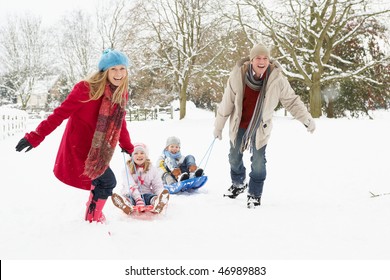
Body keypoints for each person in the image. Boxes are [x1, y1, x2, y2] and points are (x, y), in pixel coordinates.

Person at [15, 49, 135, 223]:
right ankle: (93, 217)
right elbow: (59, 114)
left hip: (98, 148)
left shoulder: (119, 93)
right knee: (108, 181)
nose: (118, 74)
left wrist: (127, 145)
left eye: (122, 68)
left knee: (102, 182)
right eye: (113, 69)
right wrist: (35, 137)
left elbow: (119, 122)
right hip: (79, 147)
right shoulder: (85, 89)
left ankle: (92, 213)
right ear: (105, 71)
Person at [213, 43, 316, 208]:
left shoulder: (277, 79)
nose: (262, 61)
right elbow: (226, 104)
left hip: (261, 127)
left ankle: (254, 194)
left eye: (265, 58)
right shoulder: (237, 76)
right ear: (252, 60)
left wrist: (306, 119)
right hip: (239, 124)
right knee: (234, 157)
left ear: (269, 60)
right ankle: (238, 184)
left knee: (259, 162)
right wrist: (218, 127)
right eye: (258, 58)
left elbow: (291, 101)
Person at [111, 143, 170, 214]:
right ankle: (125, 204)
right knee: (129, 199)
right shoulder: (126, 169)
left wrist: (160, 194)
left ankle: (158, 202)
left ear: (146, 155)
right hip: (131, 194)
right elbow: (130, 185)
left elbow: (157, 185)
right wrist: (138, 199)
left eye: (142, 153)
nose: (139, 155)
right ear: (132, 156)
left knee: (151, 197)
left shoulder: (152, 169)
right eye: (136, 153)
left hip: (145, 194)